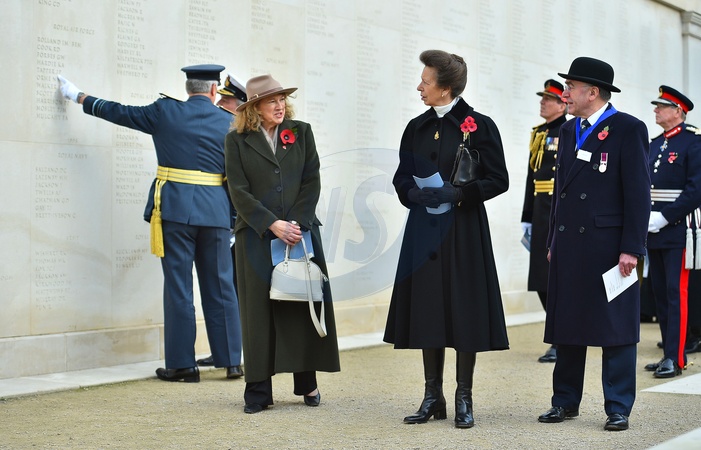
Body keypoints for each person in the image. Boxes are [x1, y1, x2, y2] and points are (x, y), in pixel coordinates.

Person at [56, 65, 244, 382]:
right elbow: (238, 177)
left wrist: (79, 96)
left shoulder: (165, 111)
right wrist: (234, 220)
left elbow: (120, 112)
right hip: (215, 213)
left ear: (188, 88)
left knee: (179, 288)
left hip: (174, 211)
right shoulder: (230, 123)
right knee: (221, 286)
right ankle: (231, 361)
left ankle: (183, 365)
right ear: (214, 91)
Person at [384, 50, 510, 429]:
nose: (419, 87)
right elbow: (401, 176)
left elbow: (498, 180)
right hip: (424, 231)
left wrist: (458, 194)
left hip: (464, 230)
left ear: (446, 88)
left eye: (426, 81)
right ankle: (432, 396)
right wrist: (411, 193)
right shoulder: (416, 127)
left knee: (464, 310)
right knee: (428, 307)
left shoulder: (480, 125)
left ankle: (463, 397)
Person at [537, 57, 650, 432]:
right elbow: (560, 193)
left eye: (570, 87)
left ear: (593, 92)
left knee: (615, 329)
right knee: (568, 324)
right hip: (569, 244)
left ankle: (618, 407)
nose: (564, 94)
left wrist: (632, 248)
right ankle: (564, 401)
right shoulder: (568, 129)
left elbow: (638, 194)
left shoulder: (628, 128)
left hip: (609, 247)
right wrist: (552, 240)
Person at [224, 74, 340, 414]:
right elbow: (238, 191)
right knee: (257, 312)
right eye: (271, 101)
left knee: (300, 303)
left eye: (281, 99)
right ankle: (258, 390)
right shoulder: (236, 141)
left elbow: (311, 180)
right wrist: (271, 224)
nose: (279, 105)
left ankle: (307, 383)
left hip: (300, 233)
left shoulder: (301, 132)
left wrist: (296, 224)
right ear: (254, 108)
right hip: (256, 235)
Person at [644, 86, 701, 378]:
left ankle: (676, 358)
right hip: (653, 229)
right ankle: (668, 352)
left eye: (661, 106)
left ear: (677, 111)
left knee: (675, 294)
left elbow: (696, 190)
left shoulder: (694, 141)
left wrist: (665, 217)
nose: (656, 110)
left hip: (678, 229)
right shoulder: (656, 144)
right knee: (660, 295)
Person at [196, 73, 248, 373]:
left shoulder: (242, 136)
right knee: (225, 289)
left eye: (226, 101)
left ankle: (237, 356)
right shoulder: (227, 131)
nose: (219, 104)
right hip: (224, 224)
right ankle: (227, 353)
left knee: (236, 292)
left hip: (240, 225)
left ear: (239, 105)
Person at [521, 79, 568, 363]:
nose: (543, 102)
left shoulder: (569, 130)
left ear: (562, 105)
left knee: (556, 277)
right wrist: (526, 217)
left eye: (549, 99)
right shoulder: (539, 133)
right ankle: (558, 333)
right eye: (543, 98)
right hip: (540, 210)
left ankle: (560, 339)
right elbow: (531, 177)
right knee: (540, 278)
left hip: (559, 209)